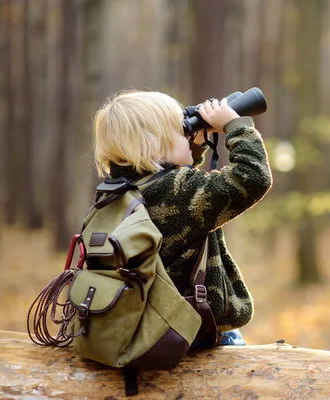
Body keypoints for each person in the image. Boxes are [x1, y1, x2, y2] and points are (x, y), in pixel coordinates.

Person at [92, 90, 273, 347]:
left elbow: (181, 193)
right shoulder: (179, 191)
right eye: (182, 131)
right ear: (154, 145)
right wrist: (236, 125)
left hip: (155, 328)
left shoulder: (119, 190)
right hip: (197, 334)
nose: (189, 135)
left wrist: (196, 144)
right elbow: (252, 177)